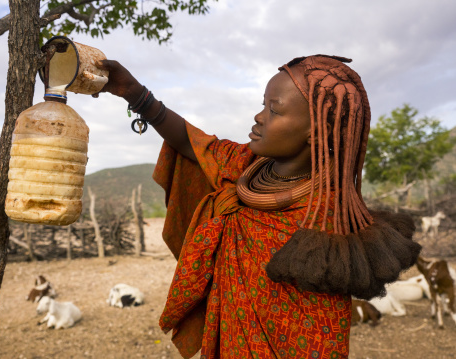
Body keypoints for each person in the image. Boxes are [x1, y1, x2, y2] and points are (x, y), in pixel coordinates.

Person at [96, 55, 421, 359]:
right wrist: (134, 93)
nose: (259, 116)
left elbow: (321, 340)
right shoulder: (244, 165)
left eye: (274, 110)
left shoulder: (326, 223)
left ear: (314, 131)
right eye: (262, 105)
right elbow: (193, 142)